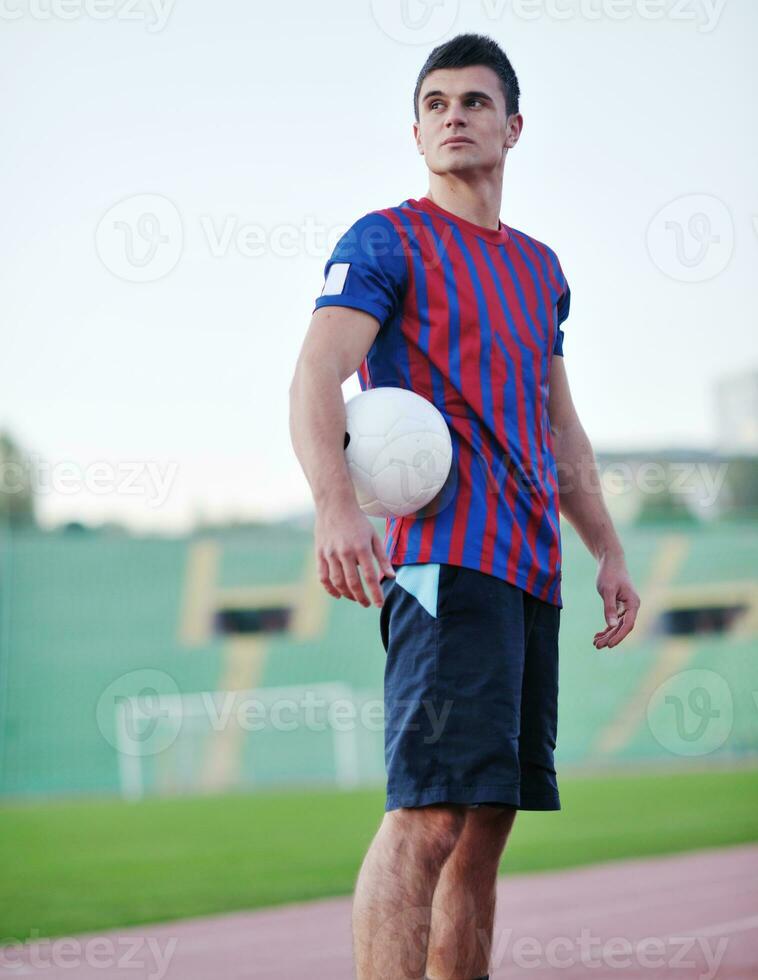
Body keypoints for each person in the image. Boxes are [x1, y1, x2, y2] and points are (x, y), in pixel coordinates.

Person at [289, 31, 641, 980]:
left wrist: (604, 547)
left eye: (474, 102)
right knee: (429, 815)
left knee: (487, 822)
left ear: (513, 126)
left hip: (532, 571)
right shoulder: (386, 238)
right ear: (416, 132)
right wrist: (335, 506)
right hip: (445, 566)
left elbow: (559, 425)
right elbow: (319, 371)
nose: (455, 116)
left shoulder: (541, 268)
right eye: (436, 104)